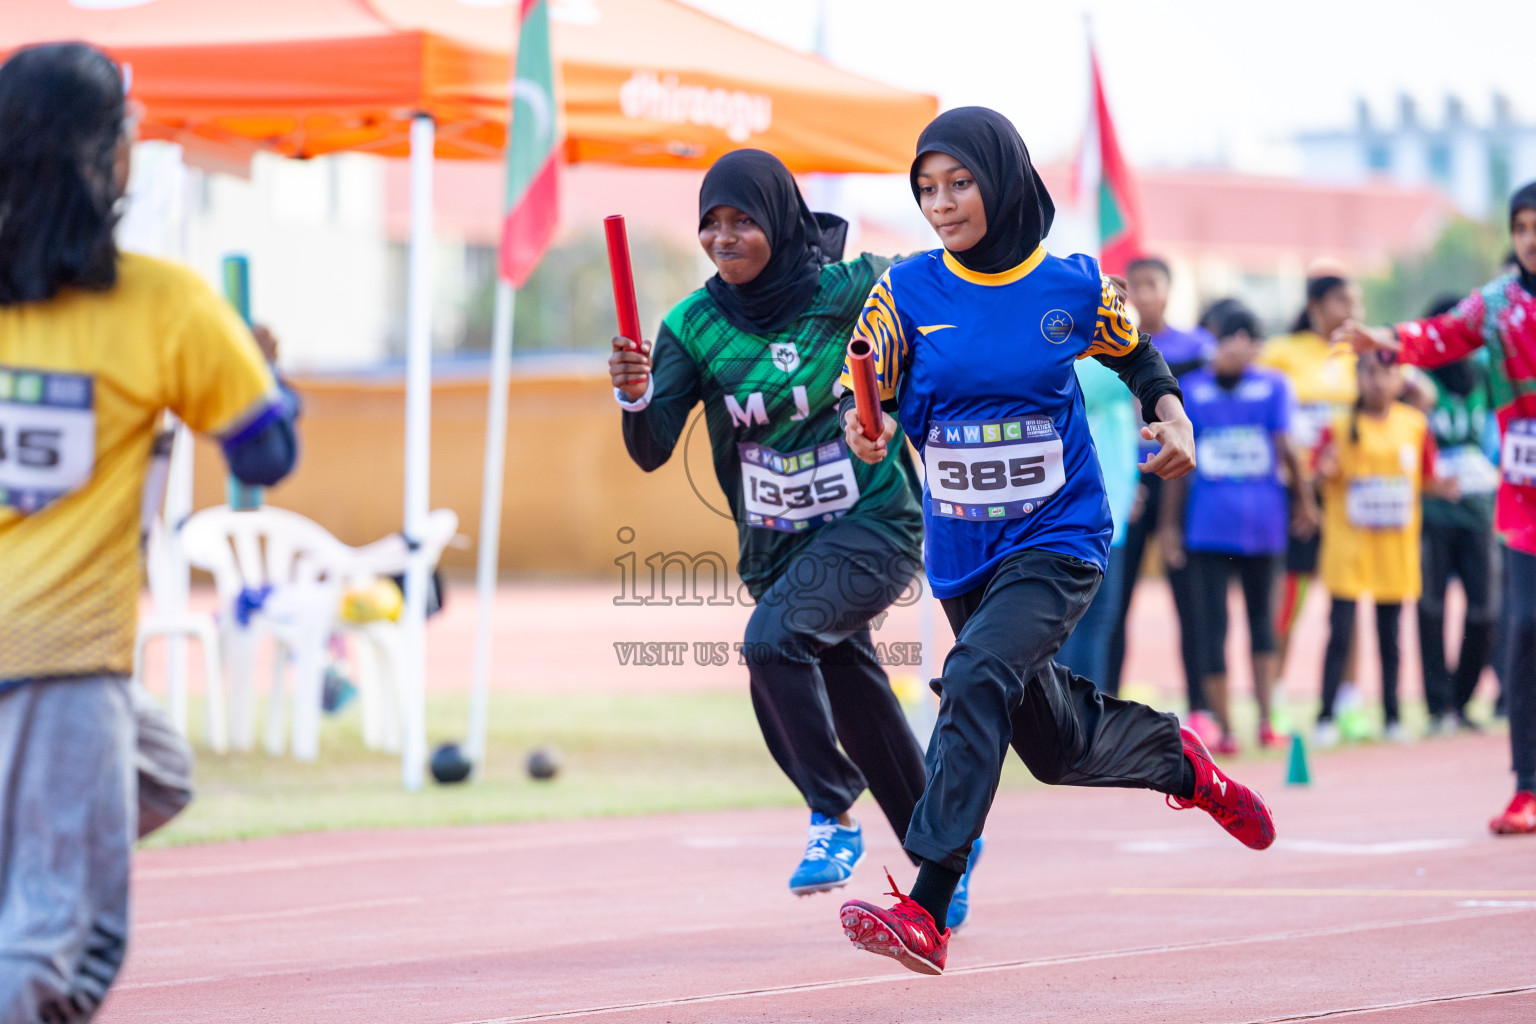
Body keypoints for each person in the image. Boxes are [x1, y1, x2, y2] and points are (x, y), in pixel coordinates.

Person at [830, 107, 1275, 977]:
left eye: (960, 183)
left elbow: (1140, 357)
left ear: (1001, 180)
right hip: (962, 551)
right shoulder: (906, 290)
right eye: (927, 189)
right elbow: (866, 385)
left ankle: (929, 907)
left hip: (1059, 533)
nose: (942, 204)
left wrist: (1172, 416)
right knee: (1053, 746)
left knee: (977, 674)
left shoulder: (1071, 286)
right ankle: (1181, 764)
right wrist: (861, 426)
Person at [0, 43, 299, 1022]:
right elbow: (266, 456)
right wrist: (261, 377)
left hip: (65, 678)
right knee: (56, 944)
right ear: (100, 158)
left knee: (159, 772)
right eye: (126, 131)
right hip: (59, 659)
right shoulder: (165, 304)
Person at [609, 149, 975, 909]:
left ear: (780, 219)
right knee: (854, 690)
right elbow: (649, 453)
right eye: (710, 224)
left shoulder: (852, 290)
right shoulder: (692, 328)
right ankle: (942, 856)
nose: (724, 237)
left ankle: (831, 810)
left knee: (772, 640)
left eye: (743, 220)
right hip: (776, 545)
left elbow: (942, 285)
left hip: (873, 523)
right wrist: (636, 396)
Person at [1339, 180, 1536, 834]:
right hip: (1523, 500)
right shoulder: (1501, 303)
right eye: (1523, 227)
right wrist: (1385, 338)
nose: (1532, 239)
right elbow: (1445, 333)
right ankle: (1527, 788)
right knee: (1526, 628)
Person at [1160, 302, 1315, 754]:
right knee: (1212, 627)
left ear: (1253, 346)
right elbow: (1180, 462)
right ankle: (1224, 727)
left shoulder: (1273, 387)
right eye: (1219, 342)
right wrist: (1169, 528)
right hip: (1207, 528)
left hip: (1263, 526)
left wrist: (1304, 502)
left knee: (1263, 622)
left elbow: (1287, 448)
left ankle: (1268, 718)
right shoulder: (1189, 389)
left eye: (1236, 340)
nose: (1226, 350)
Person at [1311, 353, 1441, 746]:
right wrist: (1324, 471)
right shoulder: (1337, 426)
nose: (1378, 382)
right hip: (1348, 546)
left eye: (1387, 373)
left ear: (1400, 378)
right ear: (1358, 378)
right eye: (1370, 373)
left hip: (1394, 549)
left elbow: (1429, 478)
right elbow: (1318, 475)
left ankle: (1392, 715)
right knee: (1340, 633)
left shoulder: (1414, 425)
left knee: (1391, 638)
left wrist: (1449, 486)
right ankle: (1325, 716)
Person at [1106, 258, 1215, 716]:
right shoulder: (1111, 342)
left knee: (1192, 605)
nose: (1146, 295)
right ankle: (1105, 703)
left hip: (1178, 488)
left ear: (1170, 290)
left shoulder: (1196, 347)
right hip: (1129, 487)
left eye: (1154, 285)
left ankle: (1202, 709)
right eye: (1139, 287)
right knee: (1114, 605)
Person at [1406, 297, 1498, 736]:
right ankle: (1438, 706)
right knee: (1431, 608)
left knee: (1485, 609)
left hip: (1479, 509)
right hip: (1432, 511)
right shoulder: (1418, 381)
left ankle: (1462, 699)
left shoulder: (1483, 374)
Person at [1258, 273, 1355, 679]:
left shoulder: (1357, 353)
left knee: (1346, 596)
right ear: (1315, 306)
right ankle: (1275, 693)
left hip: (1345, 492)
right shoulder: (1282, 352)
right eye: (1343, 302)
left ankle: (1346, 697)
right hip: (1296, 492)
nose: (1353, 312)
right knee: (1290, 596)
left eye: (1357, 303)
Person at [1055, 357, 1139, 689]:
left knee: (1088, 624)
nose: (1118, 306)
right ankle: (1073, 727)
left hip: (1100, 512)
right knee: (1084, 625)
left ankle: (1077, 726)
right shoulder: (1094, 363)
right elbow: (1152, 368)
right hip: (1085, 516)